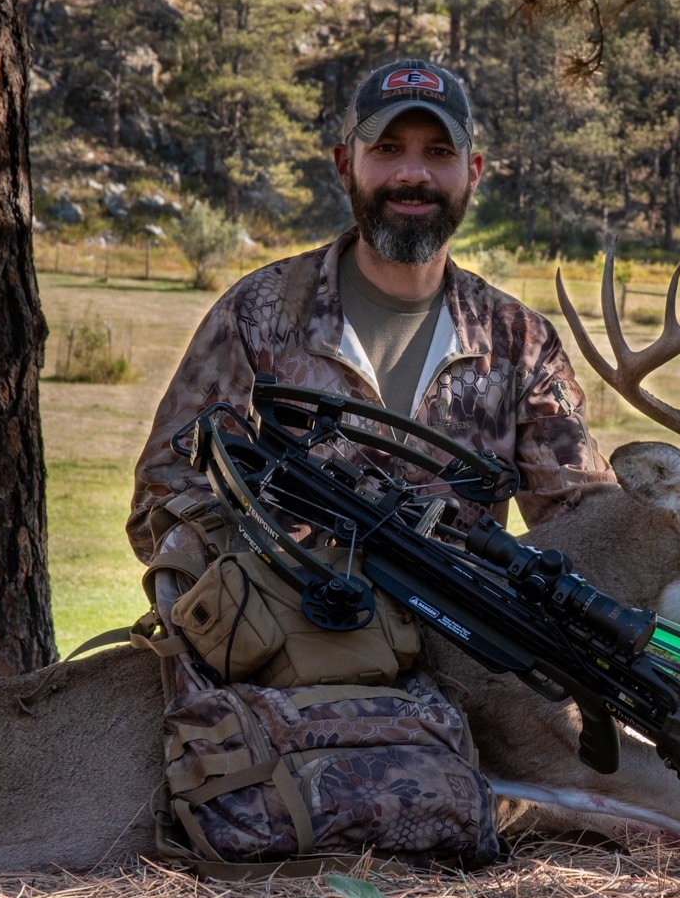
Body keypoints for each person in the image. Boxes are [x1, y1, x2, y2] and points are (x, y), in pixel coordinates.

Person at [127, 58, 615, 566]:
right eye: (386, 149)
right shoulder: (258, 314)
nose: (412, 173)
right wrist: (280, 575)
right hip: (288, 633)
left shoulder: (520, 342)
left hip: (461, 643)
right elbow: (161, 501)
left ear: (472, 174)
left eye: (439, 151)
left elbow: (586, 523)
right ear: (345, 166)